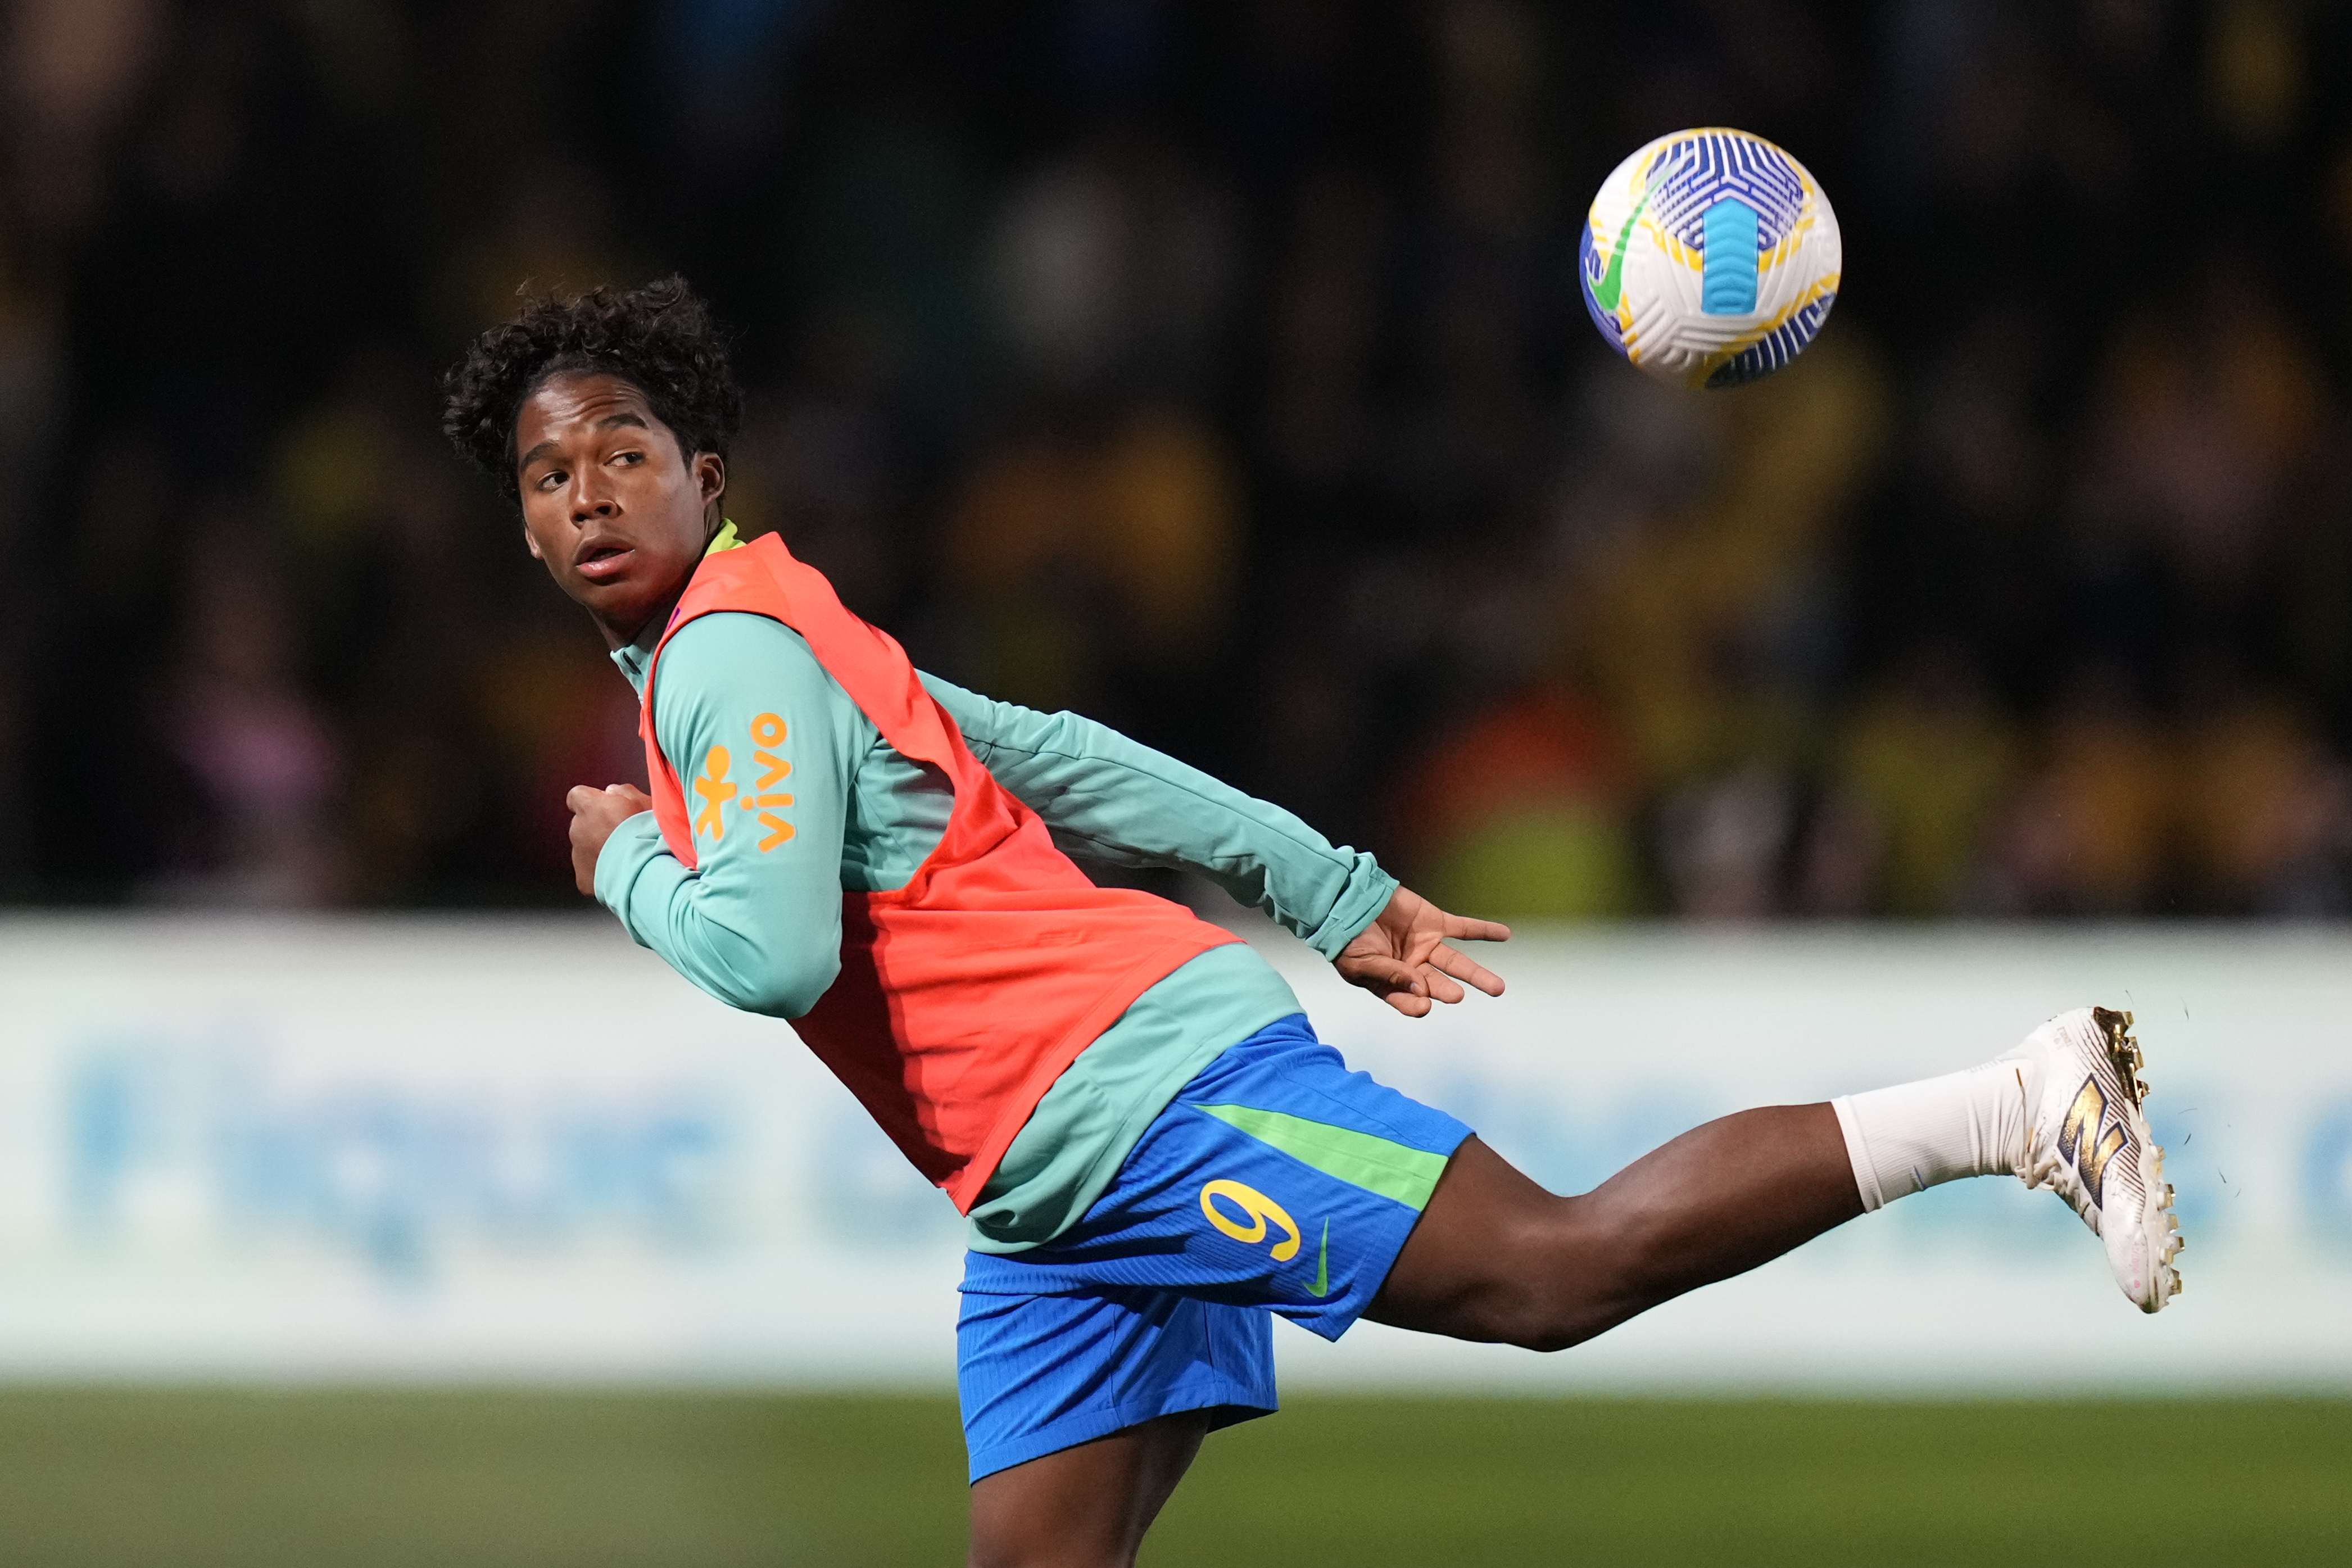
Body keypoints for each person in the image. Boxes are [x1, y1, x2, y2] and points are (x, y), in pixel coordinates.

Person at [441, 278, 2181, 1568]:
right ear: (520, 528)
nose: (588, 492)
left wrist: (623, 863)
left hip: (1131, 1095)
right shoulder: (787, 623)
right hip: (1045, 1187)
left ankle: (2016, 1105)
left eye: (624, 453)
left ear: (705, 473)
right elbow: (1059, 757)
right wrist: (1322, 886)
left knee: (1550, 1271)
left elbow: (771, 953)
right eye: (547, 474)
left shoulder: (722, 661)